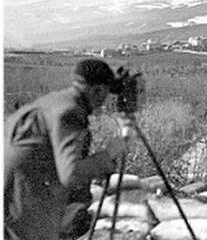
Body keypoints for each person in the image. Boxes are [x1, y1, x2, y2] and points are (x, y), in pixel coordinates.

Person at [4, 59, 128, 240]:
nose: (103, 102)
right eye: (104, 94)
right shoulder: (71, 111)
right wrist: (108, 155)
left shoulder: (55, 100)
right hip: (23, 198)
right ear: (97, 90)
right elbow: (69, 173)